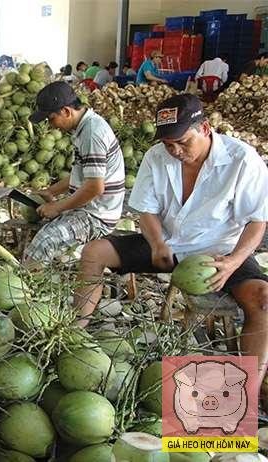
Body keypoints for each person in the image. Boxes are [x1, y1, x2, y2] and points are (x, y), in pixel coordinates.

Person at [73, 94, 268, 400]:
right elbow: (146, 211)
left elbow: (257, 222)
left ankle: (246, 397)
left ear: (204, 128)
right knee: (93, 253)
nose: (175, 150)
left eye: (182, 141)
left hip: (219, 252)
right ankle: (73, 333)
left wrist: (233, 261)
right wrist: (157, 242)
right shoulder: (156, 156)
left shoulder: (243, 160)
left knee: (264, 301)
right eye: (168, 144)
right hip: (167, 244)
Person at [23, 81, 125, 264]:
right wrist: (52, 191)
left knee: (45, 241)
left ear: (66, 111)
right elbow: (86, 176)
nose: (51, 126)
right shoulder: (84, 128)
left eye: (51, 119)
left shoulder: (92, 133)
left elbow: (94, 188)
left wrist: (58, 206)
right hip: (89, 209)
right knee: (43, 231)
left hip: (97, 217)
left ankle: (24, 289)